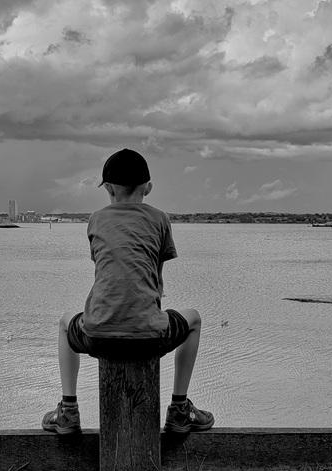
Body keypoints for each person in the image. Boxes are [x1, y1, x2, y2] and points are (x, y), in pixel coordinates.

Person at [42, 148, 214, 435]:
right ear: (148, 187)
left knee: (64, 322)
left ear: (107, 188)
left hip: (97, 334)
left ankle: (68, 410)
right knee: (193, 319)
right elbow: (153, 277)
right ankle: (180, 408)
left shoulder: (96, 219)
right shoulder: (160, 219)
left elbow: (107, 271)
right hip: (149, 336)